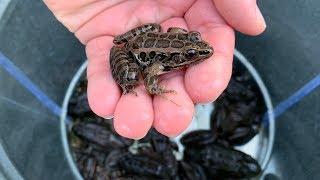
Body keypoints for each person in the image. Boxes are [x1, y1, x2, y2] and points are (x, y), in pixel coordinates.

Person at [44, 0, 266, 139]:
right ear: (181, 57)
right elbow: (151, 74)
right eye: (190, 54)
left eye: (195, 41)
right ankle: (126, 80)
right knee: (132, 77)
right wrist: (156, 89)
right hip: (131, 54)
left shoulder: (183, 40)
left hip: (146, 37)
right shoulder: (163, 63)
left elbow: (174, 30)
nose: (203, 51)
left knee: (156, 28)